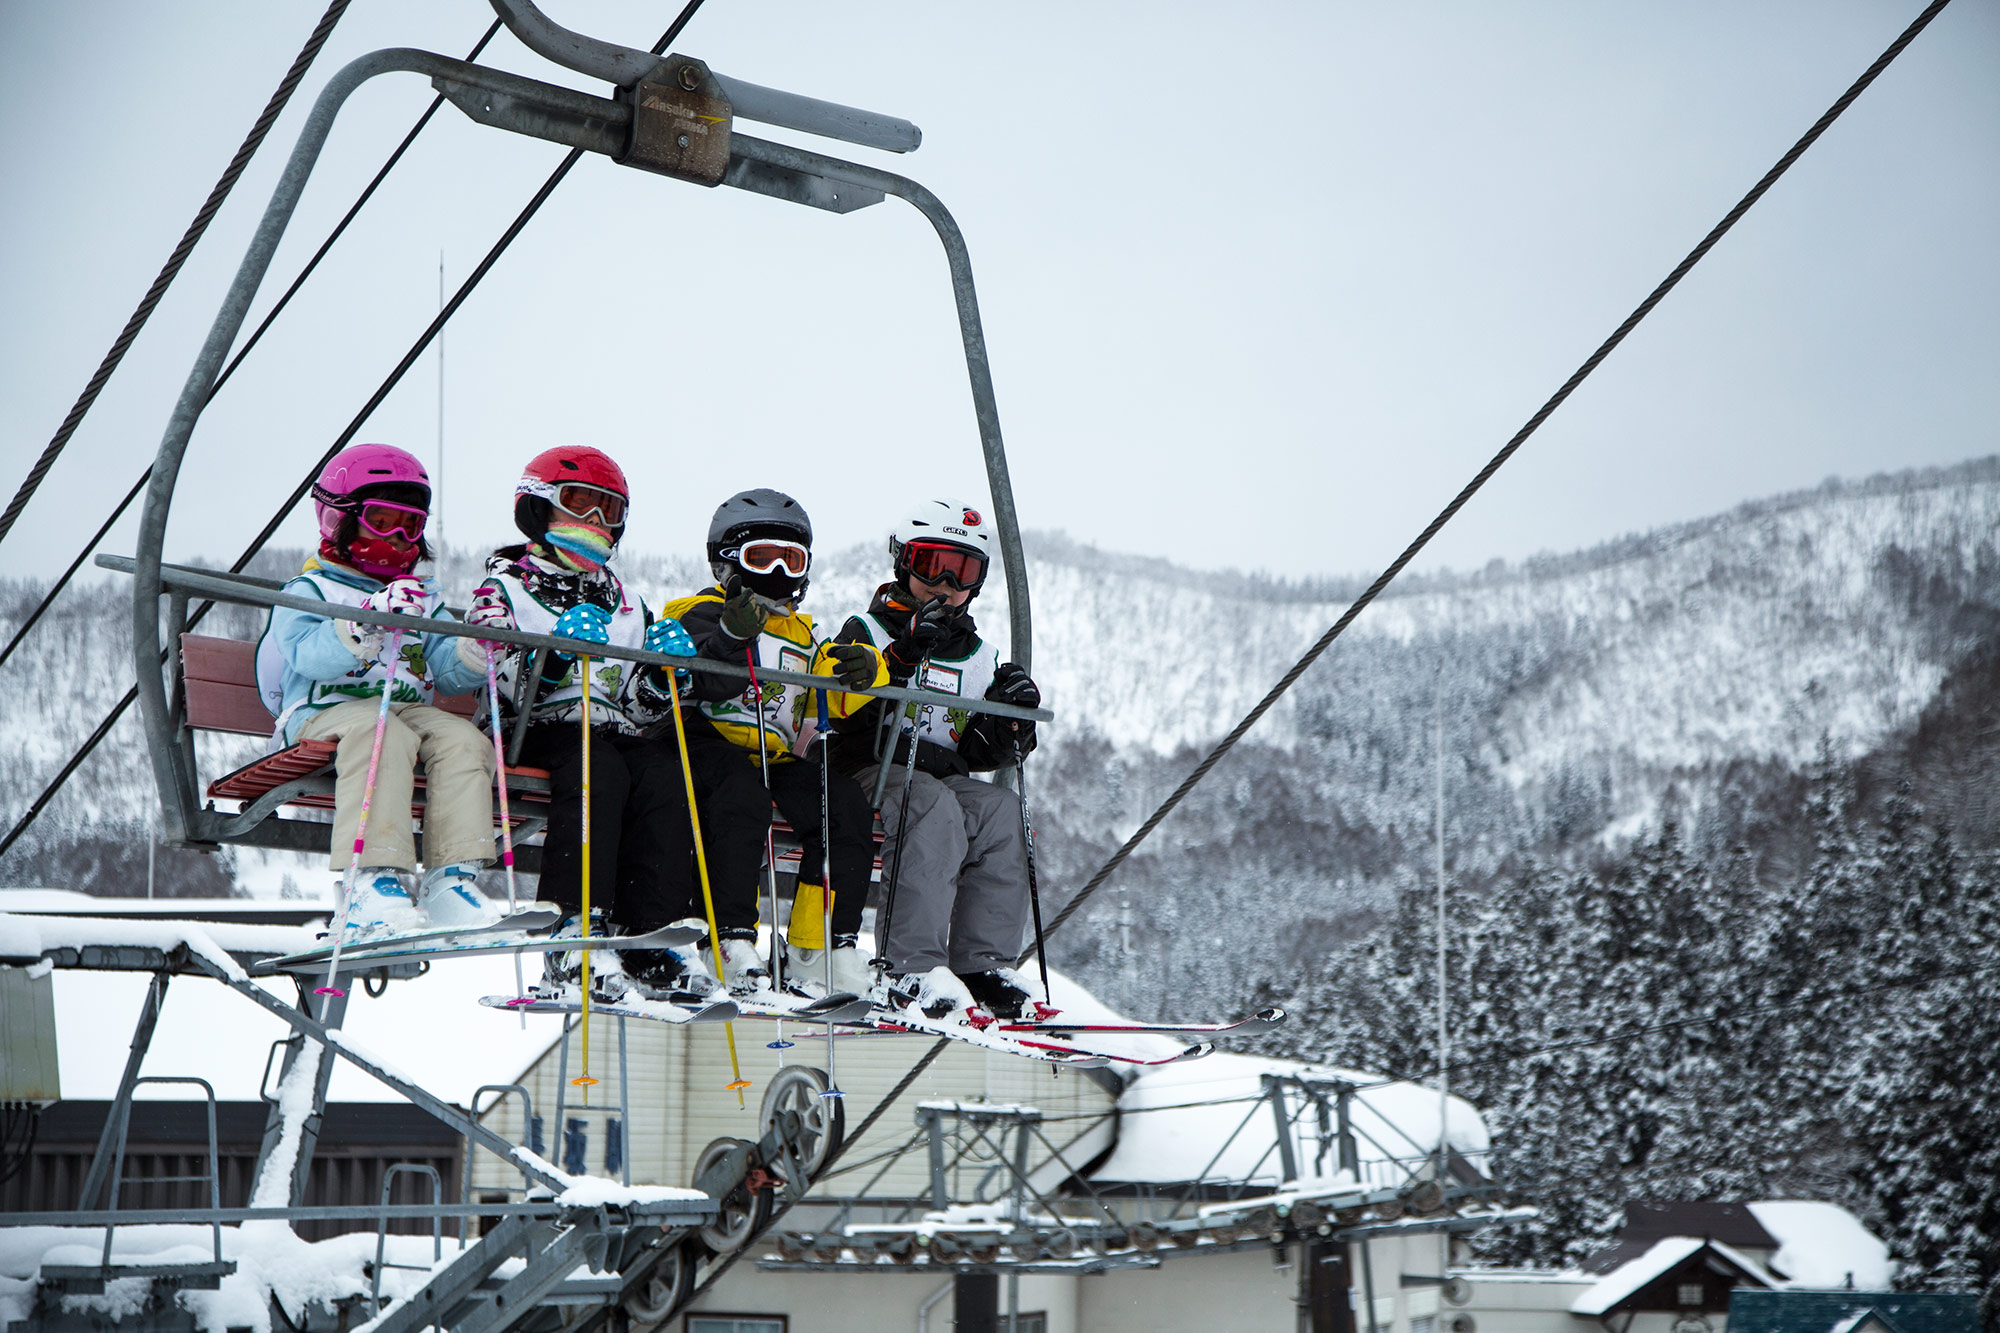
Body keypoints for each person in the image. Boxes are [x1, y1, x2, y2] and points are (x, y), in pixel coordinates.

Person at [463, 445, 742, 1001]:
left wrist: (664, 681)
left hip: (609, 731)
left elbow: (641, 710)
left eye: (608, 511)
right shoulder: (505, 589)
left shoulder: (628, 604)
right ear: (538, 508)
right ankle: (572, 929)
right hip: (530, 726)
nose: (594, 522)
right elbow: (491, 675)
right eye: (580, 504)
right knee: (600, 767)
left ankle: (647, 935)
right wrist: (556, 657)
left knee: (664, 773)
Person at [259, 443, 496, 936]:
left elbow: (447, 674)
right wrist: (365, 626)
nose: (396, 537)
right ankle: (372, 879)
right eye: (381, 520)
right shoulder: (310, 590)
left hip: (403, 714)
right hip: (324, 712)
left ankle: (451, 879)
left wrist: (475, 650)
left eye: (409, 526)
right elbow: (305, 654)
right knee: (381, 731)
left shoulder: (420, 599)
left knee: (463, 740)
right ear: (337, 520)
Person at [660, 489, 884, 997]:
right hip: (704, 741)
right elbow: (699, 678)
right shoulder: (697, 612)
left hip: (774, 753)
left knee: (844, 805)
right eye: (762, 557)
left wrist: (870, 669)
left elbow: (835, 696)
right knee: (743, 797)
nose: (779, 572)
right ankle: (730, 937)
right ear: (727, 562)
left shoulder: (804, 635)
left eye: (793, 559)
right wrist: (730, 634)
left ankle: (818, 945)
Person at [830, 498, 1044, 1020]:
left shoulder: (981, 656)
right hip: (868, 769)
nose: (946, 582)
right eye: (932, 565)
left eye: (964, 570)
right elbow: (841, 711)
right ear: (904, 563)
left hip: (941, 776)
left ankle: (981, 964)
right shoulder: (869, 631)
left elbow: (977, 749)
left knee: (999, 812)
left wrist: (1011, 722)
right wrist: (899, 659)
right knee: (932, 805)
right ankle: (910, 965)